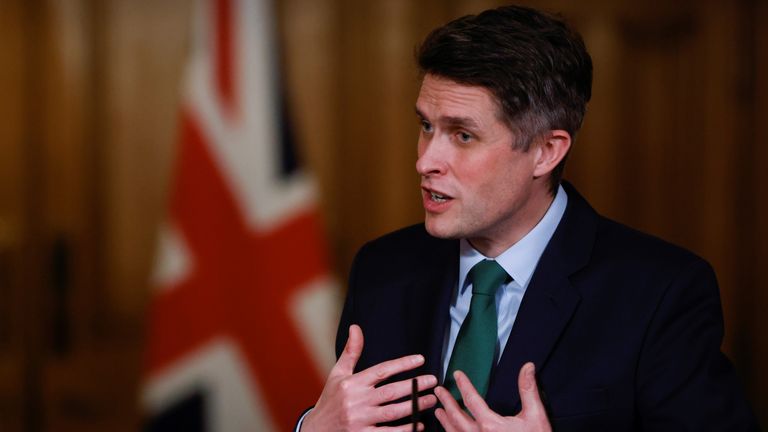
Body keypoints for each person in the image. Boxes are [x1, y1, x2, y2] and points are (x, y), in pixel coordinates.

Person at [298, 5, 758, 431]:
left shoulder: (661, 293)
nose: (425, 161)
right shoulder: (383, 269)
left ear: (546, 151)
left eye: (462, 135)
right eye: (426, 126)